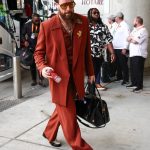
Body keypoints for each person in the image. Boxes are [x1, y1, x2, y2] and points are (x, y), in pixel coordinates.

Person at [34, 0, 95, 149]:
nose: (68, 9)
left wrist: (91, 72)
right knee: (68, 113)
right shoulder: (47, 26)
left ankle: (49, 133)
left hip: (77, 77)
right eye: (63, 6)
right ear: (57, 5)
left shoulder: (83, 21)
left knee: (62, 107)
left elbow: (87, 50)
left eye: (71, 4)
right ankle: (81, 147)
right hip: (59, 79)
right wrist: (42, 67)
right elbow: (38, 53)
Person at [87, 8, 115, 90]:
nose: (96, 14)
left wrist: (112, 53)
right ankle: (90, 92)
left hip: (99, 55)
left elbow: (108, 41)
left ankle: (93, 91)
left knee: (96, 72)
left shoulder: (103, 27)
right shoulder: (85, 26)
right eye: (94, 12)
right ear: (90, 14)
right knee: (90, 74)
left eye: (98, 12)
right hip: (88, 55)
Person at [126, 16, 149, 93]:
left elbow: (136, 41)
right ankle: (134, 83)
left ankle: (139, 86)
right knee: (133, 70)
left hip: (139, 54)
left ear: (137, 22)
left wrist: (131, 39)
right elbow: (127, 38)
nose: (133, 22)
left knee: (138, 70)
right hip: (133, 53)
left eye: (134, 21)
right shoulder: (134, 30)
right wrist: (132, 38)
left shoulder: (143, 30)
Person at [22, 13, 44, 86]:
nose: (37, 21)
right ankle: (34, 80)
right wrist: (25, 41)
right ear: (32, 19)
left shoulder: (43, 24)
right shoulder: (27, 25)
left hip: (41, 47)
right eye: (36, 21)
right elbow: (22, 35)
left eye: (38, 20)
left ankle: (41, 80)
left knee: (40, 65)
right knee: (32, 65)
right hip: (31, 47)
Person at [112, 12, 130, 85]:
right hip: (116, 47)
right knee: (118, 64)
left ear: (119, 17)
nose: (114, 18)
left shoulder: (125, 25)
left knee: (123, 64)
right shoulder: (117, 25)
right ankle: (119, 77)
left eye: (115, 17)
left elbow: (127, 37)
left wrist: (125, 48)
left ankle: (126, 79)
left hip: (122, 48)